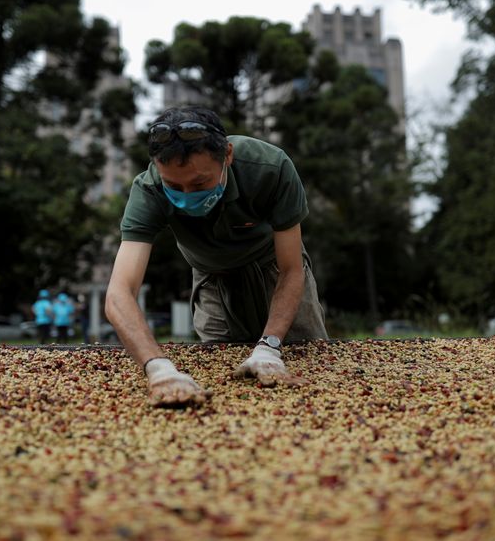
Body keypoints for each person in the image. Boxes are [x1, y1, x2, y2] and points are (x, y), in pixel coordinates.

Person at [105, 106, 328, 407]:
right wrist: (158, 368)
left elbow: (291, 268)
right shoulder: (148, 190)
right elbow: (120, 293)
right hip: (211, 277)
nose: (185, 194)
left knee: (306, 358)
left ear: (228, 155)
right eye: (174, 185)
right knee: (221, 368)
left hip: (273, 268)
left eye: (199, 184)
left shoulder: (270, 168)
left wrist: (270, 346)